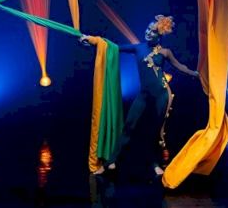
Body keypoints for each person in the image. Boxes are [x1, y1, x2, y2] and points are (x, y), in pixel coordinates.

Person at [82, 15, 199, 177]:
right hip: (143, 95)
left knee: (155, 132)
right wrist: (93, 40)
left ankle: (155, 164)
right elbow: (114, 47)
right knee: (128, 126)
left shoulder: (165, 52)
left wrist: (196, 74)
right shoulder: (138, 48)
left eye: (153, 31)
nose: (149, 33)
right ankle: (109, 162)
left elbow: (180, 66)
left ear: (160, 35)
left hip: (162, 95)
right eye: (148, 29)